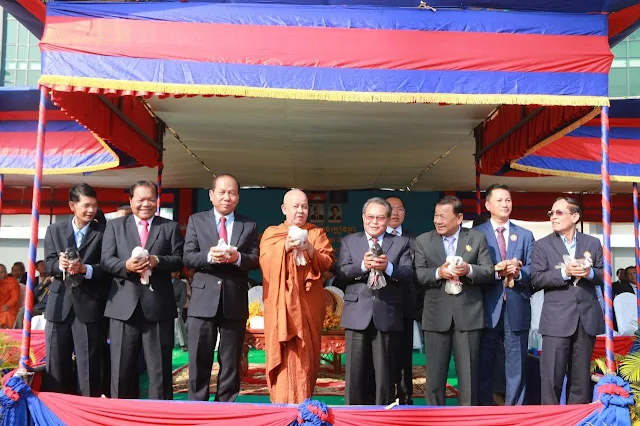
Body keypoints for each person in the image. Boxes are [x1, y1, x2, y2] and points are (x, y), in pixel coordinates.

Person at [101, 180, 184, 400]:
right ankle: (121, 413)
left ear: (157, 201)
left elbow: (179, 259)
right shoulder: (115, 226)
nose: (146, 204)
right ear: (131, 201)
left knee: (159, 370)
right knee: (121, 368)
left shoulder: (169, 227)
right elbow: (106, 261)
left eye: (150, 199)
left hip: (158, 307)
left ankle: (159, 414)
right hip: (123, 307)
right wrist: (126, 266)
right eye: (140, 199)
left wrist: (158, 260)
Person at [183, 174, 259, 402]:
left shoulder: (249, 224)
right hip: (202, 301)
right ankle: (197, 407)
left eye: (232, 193)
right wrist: (209, 257)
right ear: (211, 195)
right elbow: (188, 257)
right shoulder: (197, 220)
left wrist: (237, 258)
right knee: (199, 358)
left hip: (234, 300)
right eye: (222, 192)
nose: (227, 197)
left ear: (238, 197)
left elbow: (256, 259)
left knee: (230, 359)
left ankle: (225, 406)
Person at [414, 196, 493, 406]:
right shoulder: (423, 240)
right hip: (436, 316)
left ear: (459, 218)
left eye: (443, 216)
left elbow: (488, 271)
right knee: (434, 376)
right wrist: (438, 273)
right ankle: (434, 416)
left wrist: (469, 270)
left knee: (468, 377)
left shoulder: (477, 238)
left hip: (468, 316)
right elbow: (419, 275)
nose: (438, 221)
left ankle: (466, 417)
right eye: (435, 216)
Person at [260, 189, 335, 404]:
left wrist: (309, 248)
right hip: (281, 305)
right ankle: (281, 404)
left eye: (304, 206)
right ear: (284, 209)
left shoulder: (316, 234)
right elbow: (264, 262)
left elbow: (328, 262)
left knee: (306, 355)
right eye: (295, 206)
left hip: (308, 305)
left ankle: (304, 403)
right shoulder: (272, 233)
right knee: (282, 352)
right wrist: (284, 247)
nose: (300, 211)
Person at [337, 197, 413, 405]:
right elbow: (342, 272)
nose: (374, 221)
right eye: (370, 217)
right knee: (355, 373)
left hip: (386, 313)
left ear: (387, 219)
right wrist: (363, 266)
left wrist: (388, 267)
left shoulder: (401, 243)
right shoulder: (349, 241)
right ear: (363, 217)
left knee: (385, 374)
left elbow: (408, 274)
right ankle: (352, 415)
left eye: (379, 218)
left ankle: (382, 414)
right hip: (357, 314)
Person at [531, 197, 604, 405]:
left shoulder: (592, 243)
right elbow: (535, 279)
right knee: (551, 379)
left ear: (575, 217)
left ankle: (576, 418)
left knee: (580, 380)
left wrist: (590, 273)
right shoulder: (542, 245)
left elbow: (604, 275)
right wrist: (564, 272)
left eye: (559, 213)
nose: (553, 217)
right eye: (551, 213)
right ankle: (552, 418)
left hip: (586, 318)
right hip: (556, 320)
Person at [42, 183, 109, 397]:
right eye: (86, 205)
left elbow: (108, 267)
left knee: (88, 366)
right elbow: (48, 264)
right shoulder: (55, 230)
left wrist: (85, 269)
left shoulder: (104, 232)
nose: (91, 210)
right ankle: (55, 408)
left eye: (94, 205)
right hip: (59, 305)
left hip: (89, 305)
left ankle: (86, 409)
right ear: (72, 205)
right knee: (55, 364)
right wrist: (60, 265)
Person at [473, 184, 534, 406]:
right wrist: (496, 271)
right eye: (499, 200)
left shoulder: (525, 235)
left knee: (516, 363)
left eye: (508, 200)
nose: (505, 204)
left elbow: (534, 270)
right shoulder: (475, 234)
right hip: (486, 307)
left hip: (516, 305)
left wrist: (518, 273)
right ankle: (484, 408)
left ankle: (514, 409)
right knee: (484, 361)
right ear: (488, 205)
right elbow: (472, 270)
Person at [385, 196, 420, 405]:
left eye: (399, 209)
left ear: (405, 213)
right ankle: (384, 393)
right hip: (381, 305)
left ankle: (405, 395)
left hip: (405, 305)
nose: (395, 213)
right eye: (391, 208)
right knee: (384, 353)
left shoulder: (414, 240)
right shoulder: (376, 237)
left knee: (404, 353)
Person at [172, 271, 188, 350]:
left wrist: (172, 305)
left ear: (177, 273)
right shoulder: (163, 283)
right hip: (163, 307)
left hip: (177, 307)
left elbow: (183, 300)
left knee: (177, 318)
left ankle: (183, 343)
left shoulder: (182, 284)